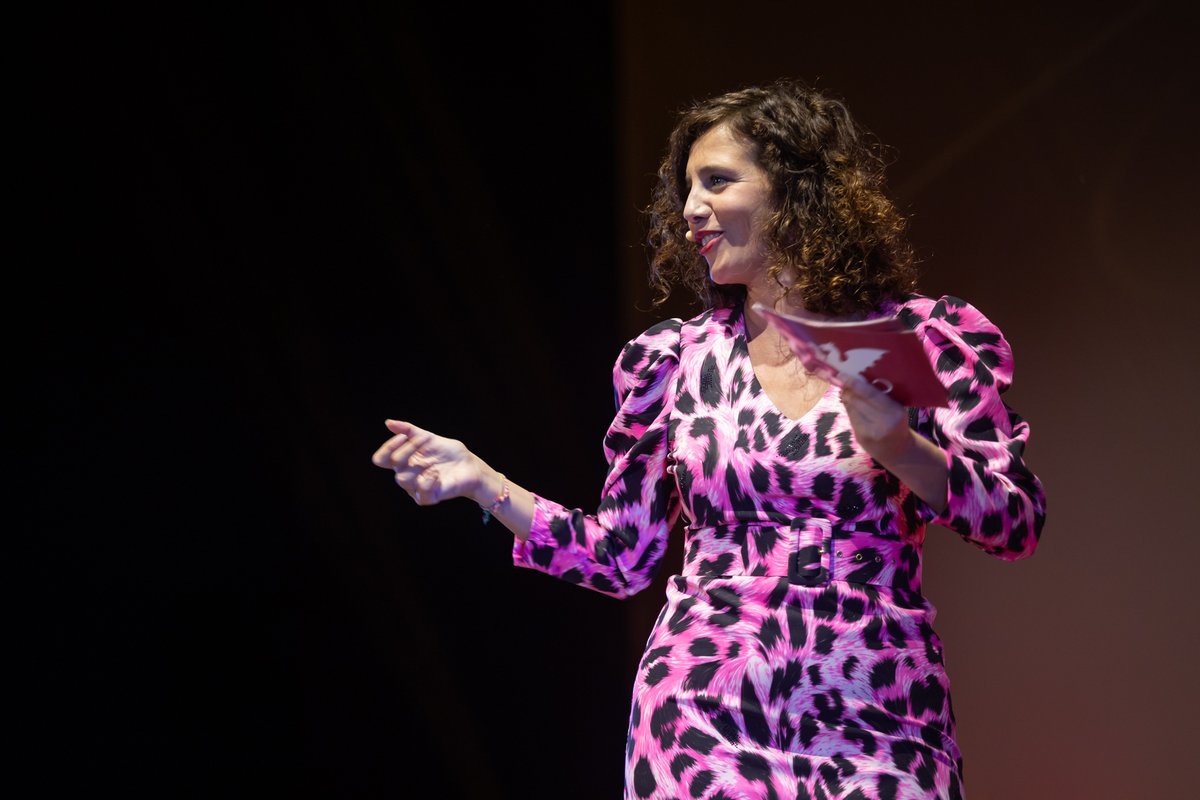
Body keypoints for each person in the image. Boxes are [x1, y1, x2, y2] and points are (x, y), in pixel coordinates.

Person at [372, 79, 1046, 800]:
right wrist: (482, 481)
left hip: (877, 710)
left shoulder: (917, 340)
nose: (691, 210)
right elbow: (623, 557)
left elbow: (1015, 522)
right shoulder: (672, 362)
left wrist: (904, 450)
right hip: (702, 714)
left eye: (717, 182)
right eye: (686, 189)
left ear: (794, 191)